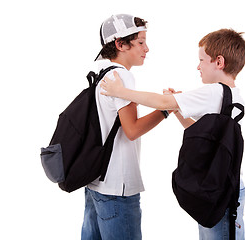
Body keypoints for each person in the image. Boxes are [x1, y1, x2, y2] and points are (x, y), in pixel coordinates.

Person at [100, 28, 245, 240]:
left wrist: (120, 92)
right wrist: (179, 108)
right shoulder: (233, 95)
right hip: (227, 186)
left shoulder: (213, 91)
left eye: (202, 60)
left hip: (219, 189)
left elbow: (161, 103)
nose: (198, 66)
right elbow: (202, 134)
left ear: (219, 62)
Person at [81, 14, 170, 240]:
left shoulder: (100, 73)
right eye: (140, 42)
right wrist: (166, 110)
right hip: (117, 188)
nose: (146, 49)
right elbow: (132, 130)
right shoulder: (121, 76)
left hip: (95, 181)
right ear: (120, 44)